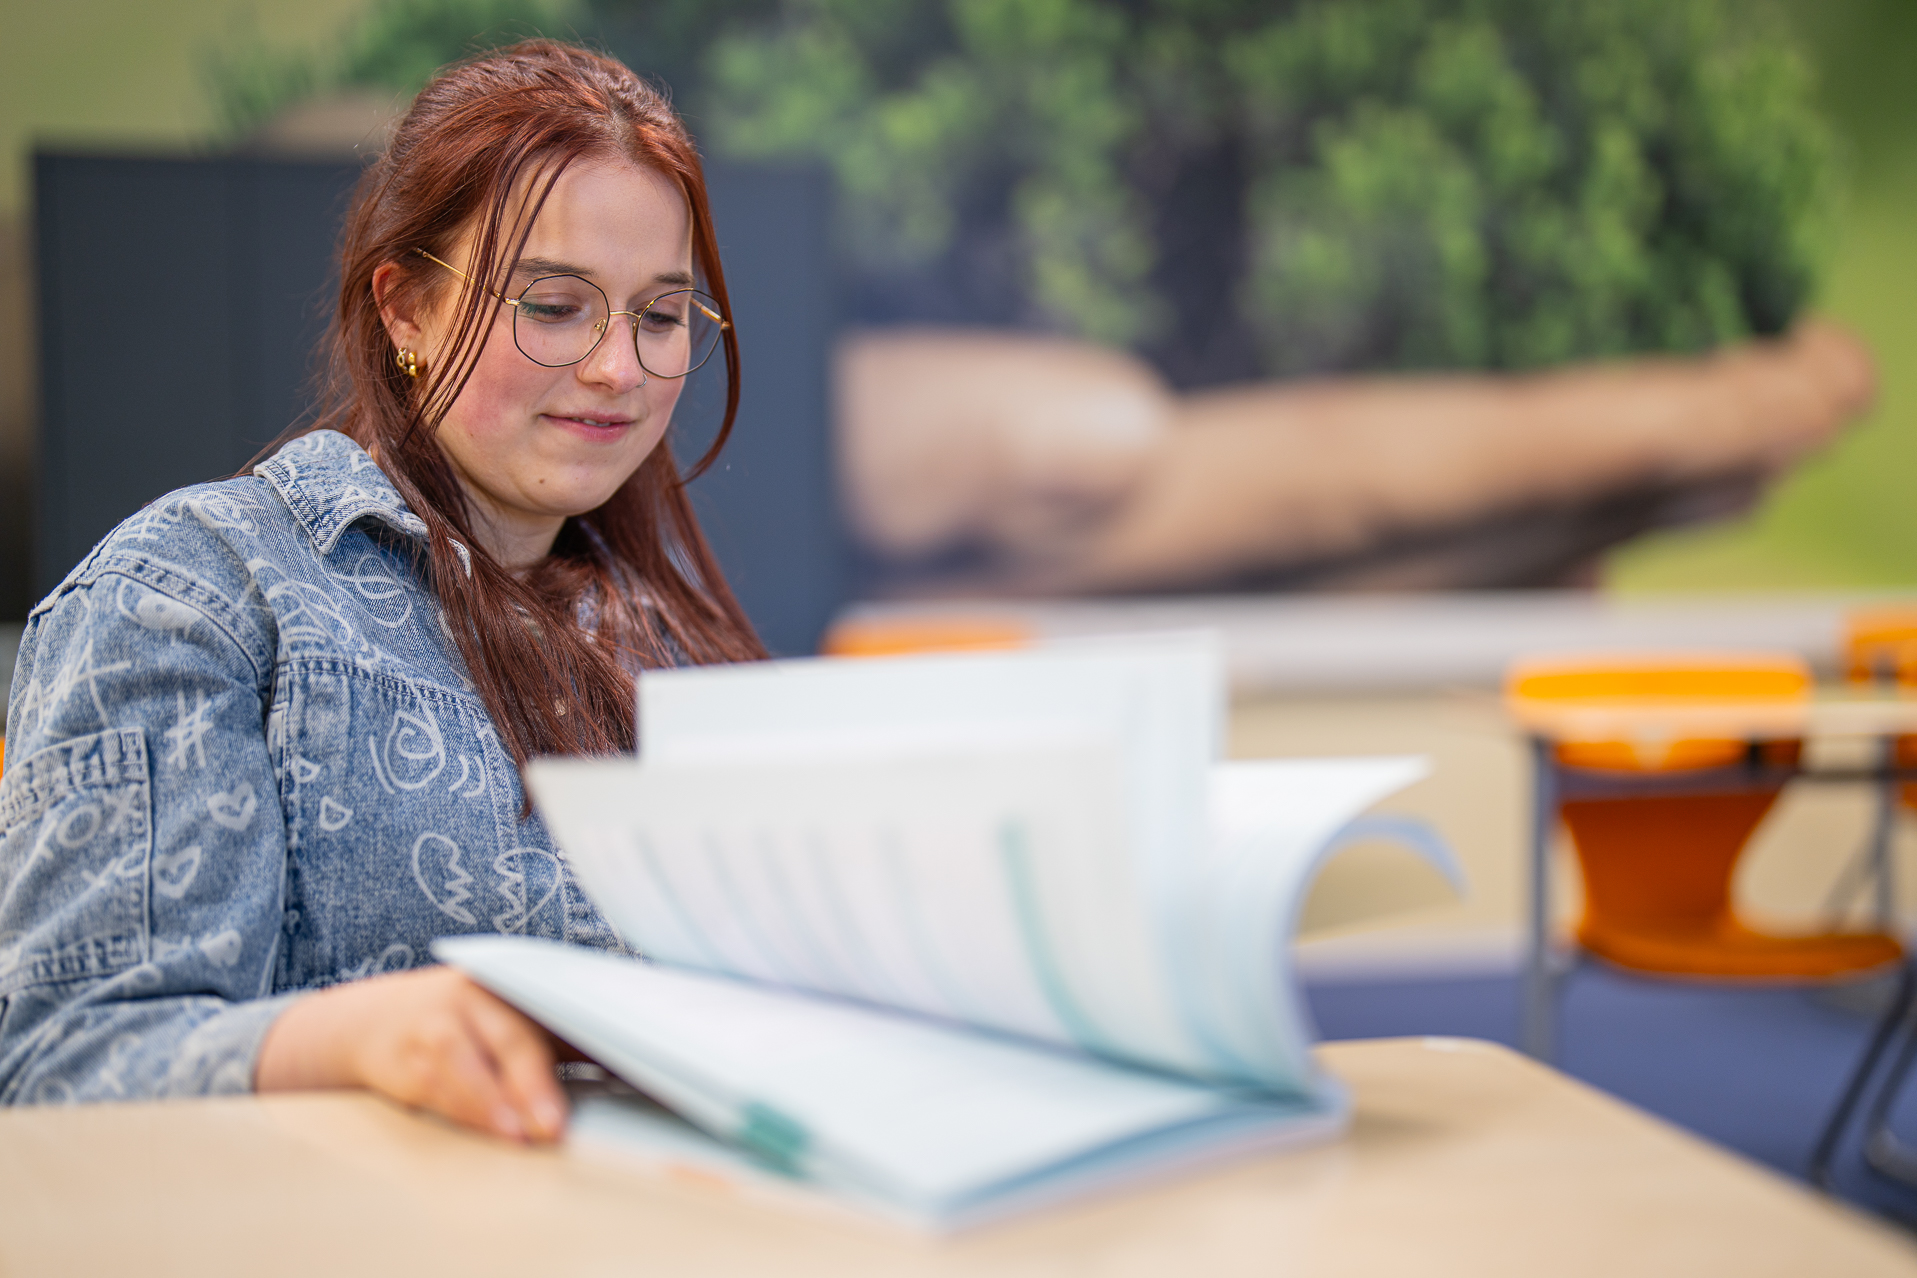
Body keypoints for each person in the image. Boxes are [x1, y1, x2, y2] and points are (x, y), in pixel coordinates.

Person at [0, 41, 762, 1141]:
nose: (620, 370)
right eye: (554, 306)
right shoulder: (192, 594)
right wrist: (356, 1040)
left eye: (658, 316)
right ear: (403, 309)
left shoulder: (673, 638)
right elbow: (63, 1069)